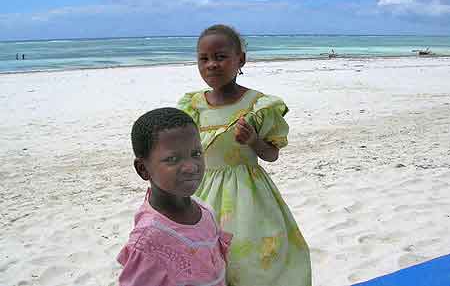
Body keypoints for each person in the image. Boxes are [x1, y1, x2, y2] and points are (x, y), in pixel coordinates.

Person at [177, 24, 311, 286]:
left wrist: (254, 141)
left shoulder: (257, 106)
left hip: (249, 195)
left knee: (250, 259)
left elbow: (271, 154)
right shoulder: (193, 106)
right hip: (203, 193)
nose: (211, 65)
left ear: (241, 60)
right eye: (204, 59)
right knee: (207, 258)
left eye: (220, 57)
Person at [117, 107, 232, 286]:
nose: (191, 167)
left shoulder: (204, 209)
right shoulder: (149, 240)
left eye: (196, 154)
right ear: (143, 169)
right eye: (172, 159)